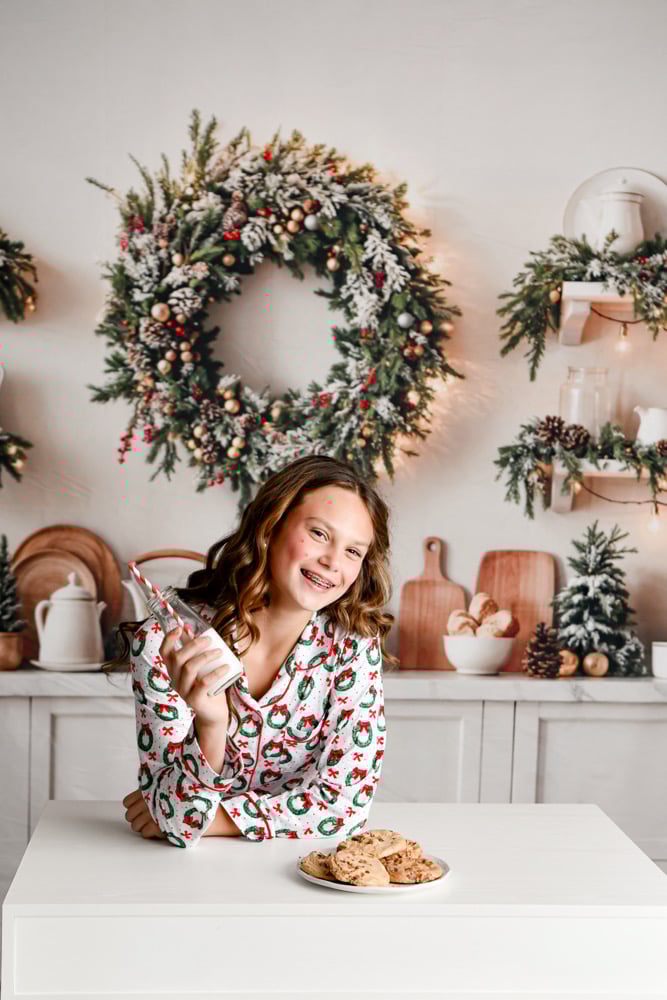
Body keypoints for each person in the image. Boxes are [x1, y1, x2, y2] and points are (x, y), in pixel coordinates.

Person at [105, 455, 395, 848]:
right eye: (319, 534)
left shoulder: (352, 647)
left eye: (353, 552)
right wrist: (211, 725)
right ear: (271, 526)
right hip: (178, 878)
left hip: (303, 870)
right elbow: (170, 819)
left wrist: (209, 819)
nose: (332, 562)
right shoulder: (167, 642)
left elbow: (346, 808)